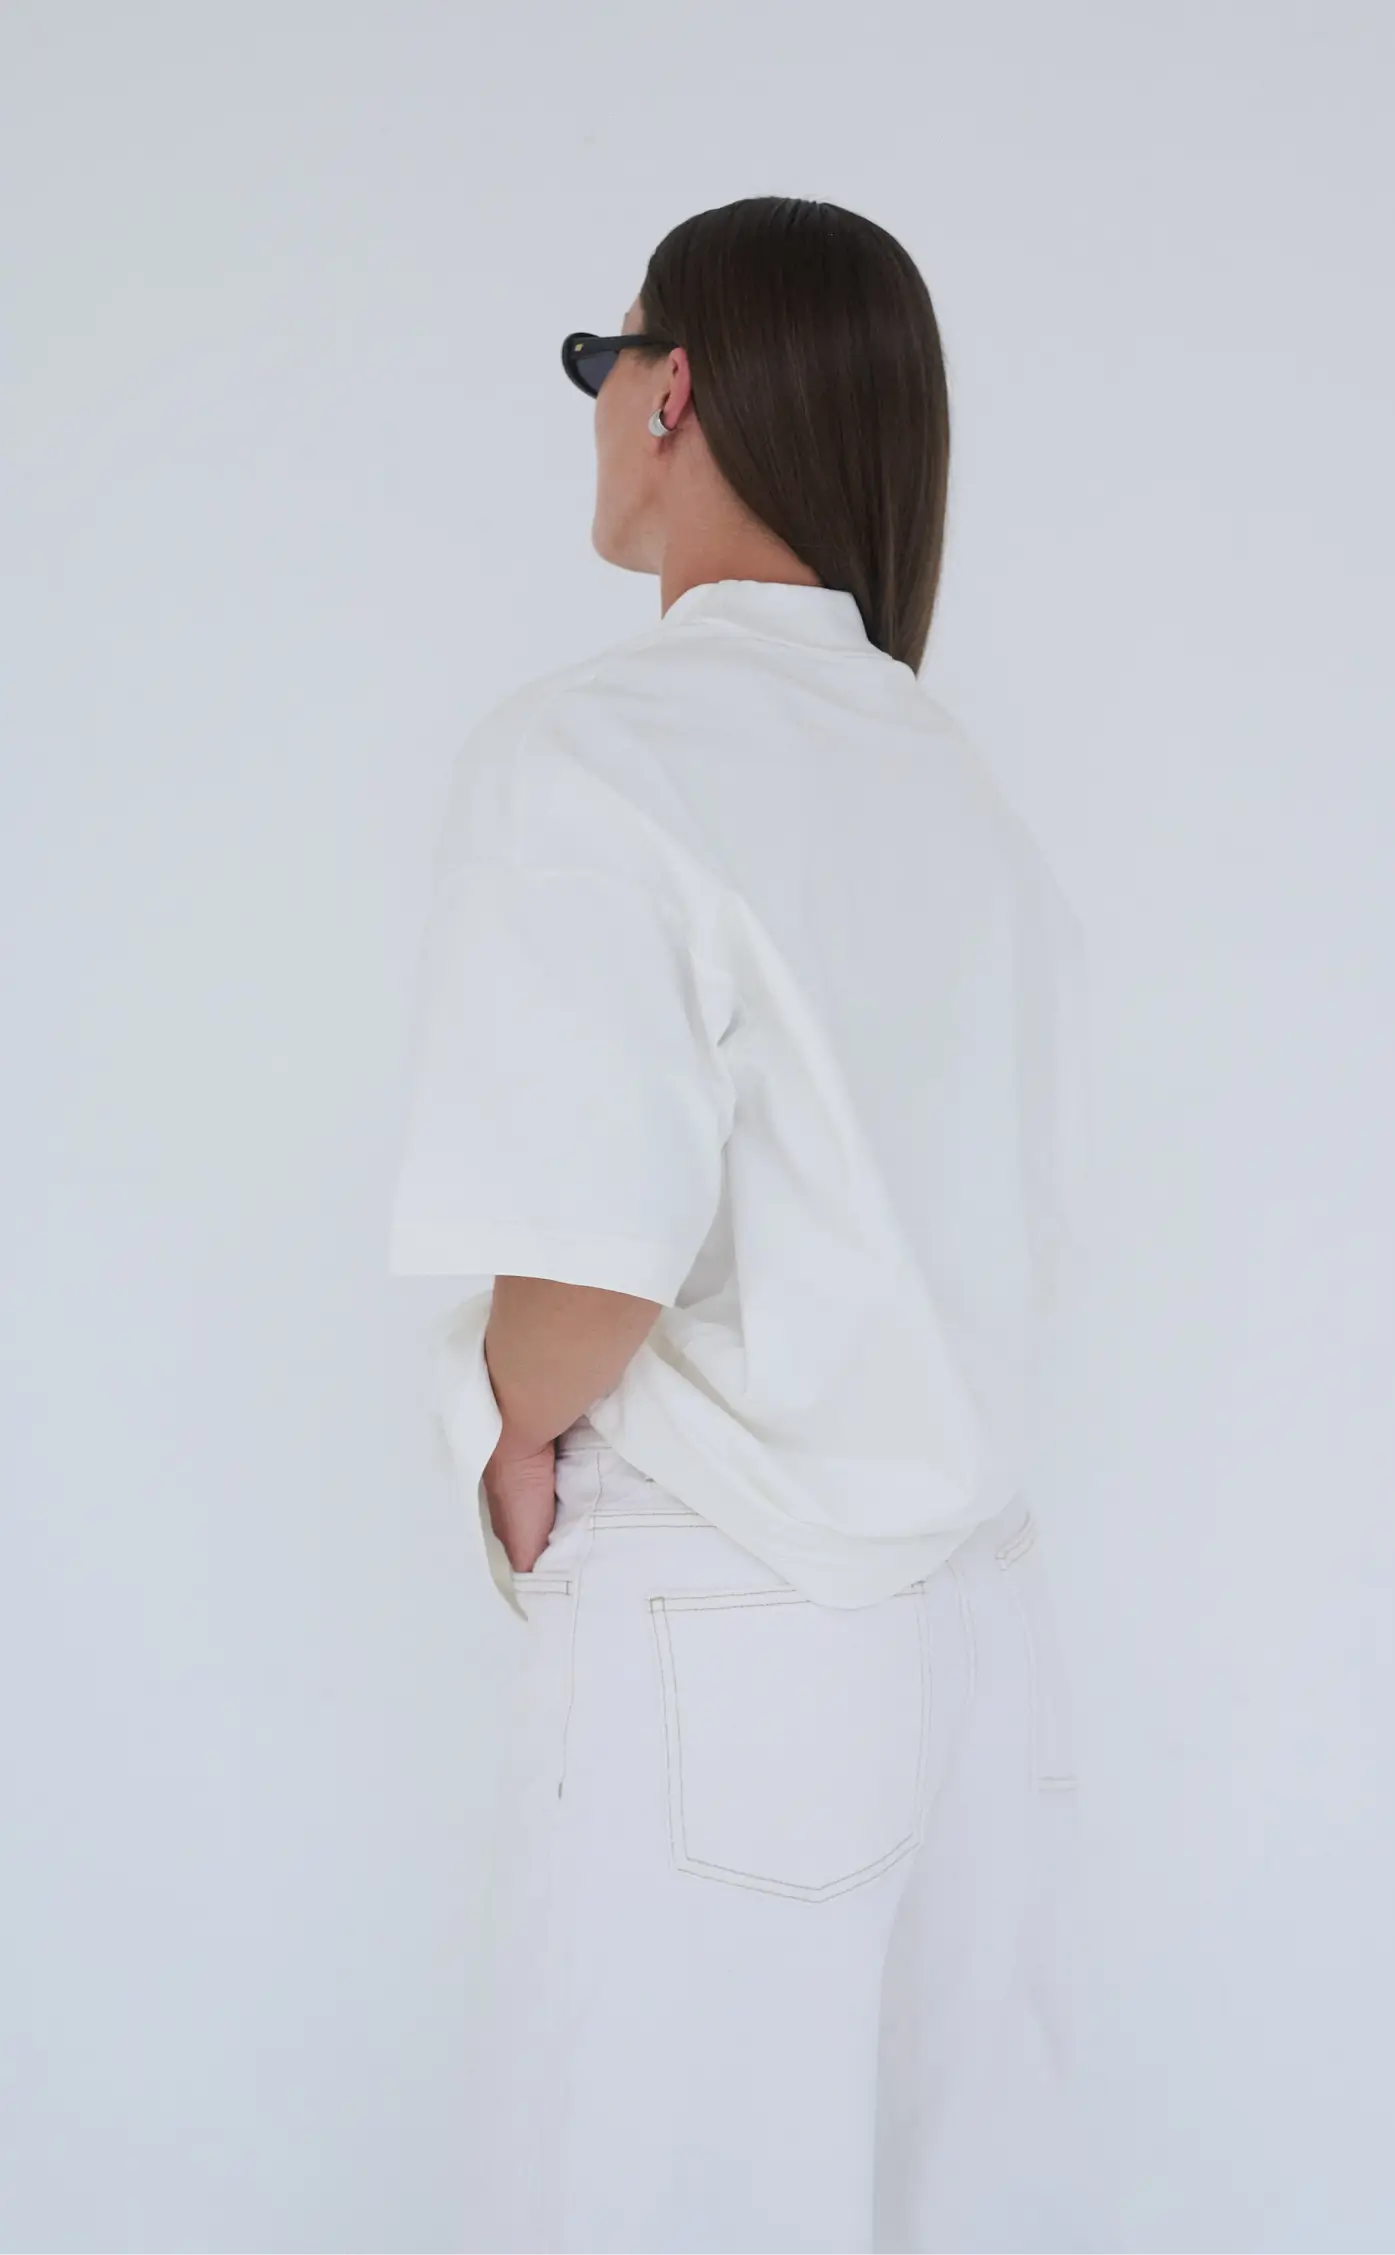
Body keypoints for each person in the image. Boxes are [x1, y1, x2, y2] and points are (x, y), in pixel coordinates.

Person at [387, 195, 1095, 2255]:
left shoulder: (603, 753)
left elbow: (589, 1263)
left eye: (599, 359)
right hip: (971, 1651)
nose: (597, 404)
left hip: (729, 1629)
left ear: (671, 385)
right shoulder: (958, 787)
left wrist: (505, 1421)